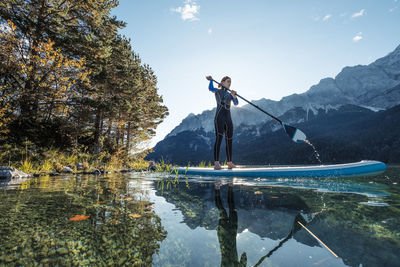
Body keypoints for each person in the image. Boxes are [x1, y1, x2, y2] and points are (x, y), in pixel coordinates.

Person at [206, 76, 239, 170]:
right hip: (219, 117)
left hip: (228, 118)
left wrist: (234, 96)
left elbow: (236, 103)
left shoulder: (230, 94)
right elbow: (210, 88)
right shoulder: (217, 91)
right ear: (222, 82)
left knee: (229, 140)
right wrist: (211, 80)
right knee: (219, 138)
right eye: (228, 81)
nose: (230, 83)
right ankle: (216, 163)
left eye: (231, 82)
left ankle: (229, 163)